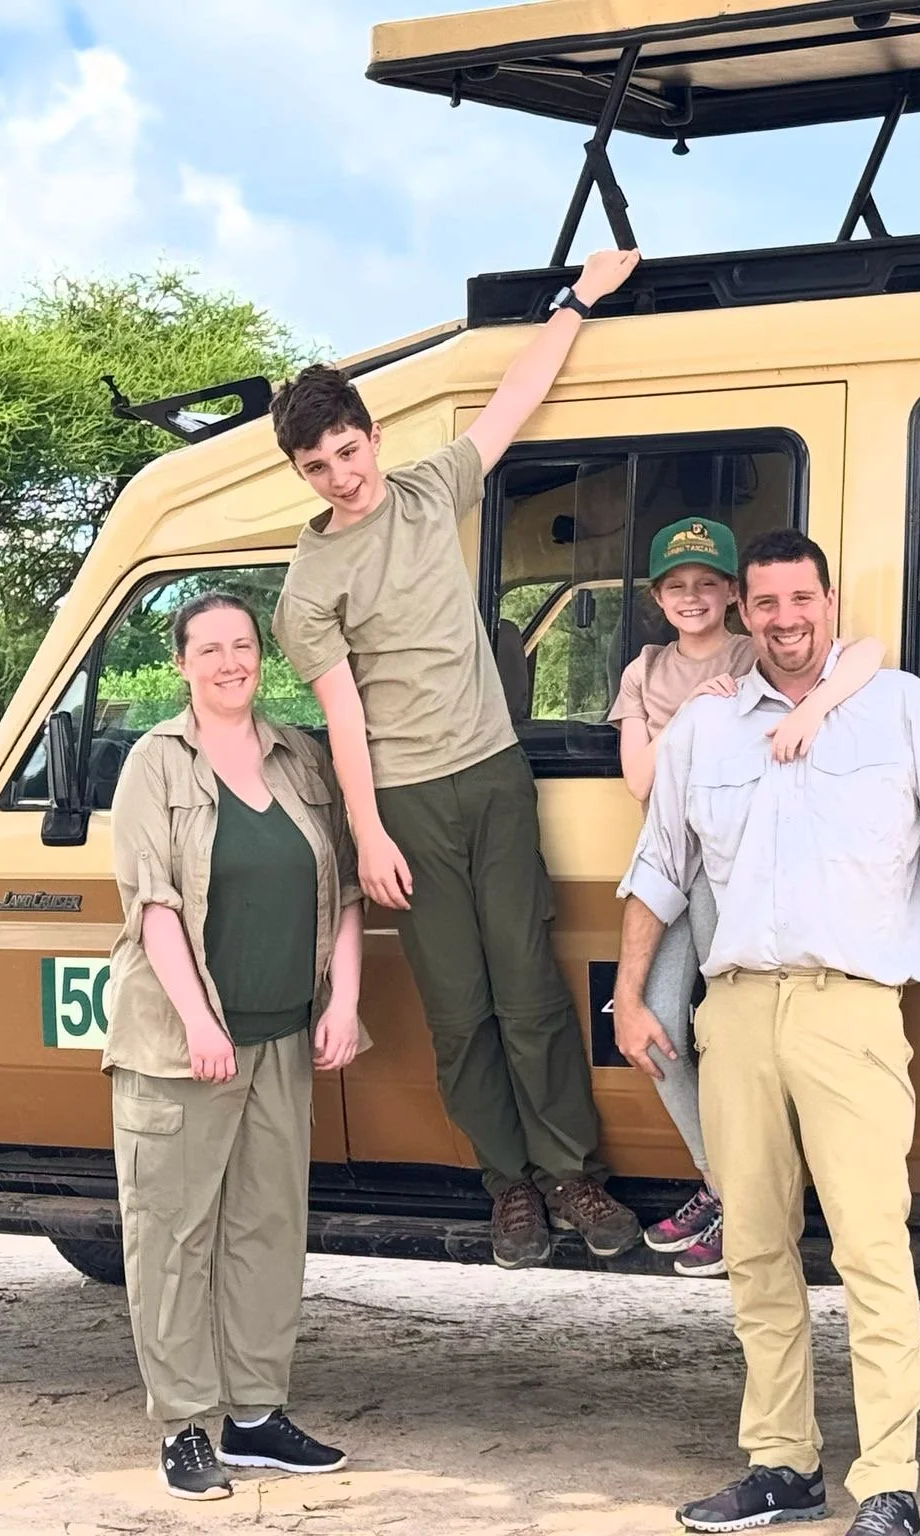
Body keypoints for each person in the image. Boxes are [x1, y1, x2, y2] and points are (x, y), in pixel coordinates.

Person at [613, 530, 920, 1536]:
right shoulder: (702, 733)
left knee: (870, 1251)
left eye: (798, 599)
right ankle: (780, 1464)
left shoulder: (895, 711)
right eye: (764, 604)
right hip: (738, 1017)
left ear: (827, 600)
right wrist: (631, 995)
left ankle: (887, 1483)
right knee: (756, 1250)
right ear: (744, 615)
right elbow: (658, 870)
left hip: (850, 1011)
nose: (783, 619)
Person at [271, 247, 644, 1270]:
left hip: (491, 776)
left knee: (529, 984)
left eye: (347, 451)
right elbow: (343, 717)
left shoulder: (432, 489)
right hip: (405, 800)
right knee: (459, 1006)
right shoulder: (308, 585)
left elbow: (515, 398)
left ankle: (573, 1173)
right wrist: (370, 833)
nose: (340, 476)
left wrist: (575, 302)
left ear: (372, 437)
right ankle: (508, 1186)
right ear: (298, 473)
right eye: (317, 467)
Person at [105, 592, 368, 1501]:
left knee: (267, 1230)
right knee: (173, 1235)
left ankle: (255, 1417)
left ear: (265, 657)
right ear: (181, 663)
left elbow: (344, 889)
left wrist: (344, 1005)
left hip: (286, 1034)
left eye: (244, 646)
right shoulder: (154, 762)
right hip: (183, 1045)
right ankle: (183, 1424)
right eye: (209, 649)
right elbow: (152, 905)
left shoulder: (299, 754)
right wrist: (198, 1019)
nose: (230, 662)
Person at [613, 515, 884, 1277]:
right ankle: (722, 1180)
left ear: (735, 595)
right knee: (652, 1022)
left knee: (730, 1032)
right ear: (657, 596)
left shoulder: (753, 648)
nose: (692, 597)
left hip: (733, 863)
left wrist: (811, 706)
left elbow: (868, 653)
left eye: (708, 584)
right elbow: (641, 780)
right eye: (677, 586)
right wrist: (703, 713)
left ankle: (751, 1200)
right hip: (666, 864)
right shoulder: (645, 670)